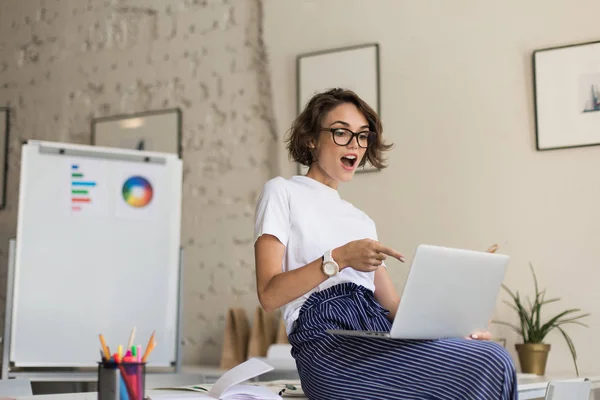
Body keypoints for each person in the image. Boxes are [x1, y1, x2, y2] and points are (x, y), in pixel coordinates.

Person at [253, 88, 517, 400]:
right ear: (311, 139)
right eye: (341, 132)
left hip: (376, 331)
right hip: (326, 345)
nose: (355, 144)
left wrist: (456, 329)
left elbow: (395, 310)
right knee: (491, 361)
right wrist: (339, 258)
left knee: (488, 356)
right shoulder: (282, 192)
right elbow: (269, 295)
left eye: (363, 136)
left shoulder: (362, 221)